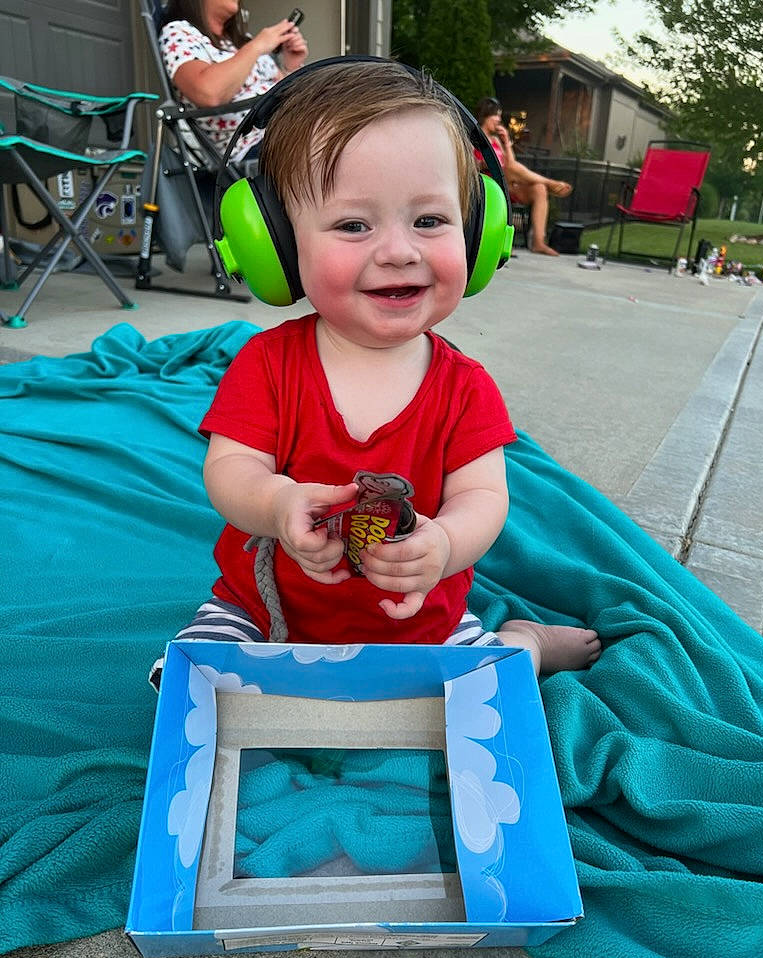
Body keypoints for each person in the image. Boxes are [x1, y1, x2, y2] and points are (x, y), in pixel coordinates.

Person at [152, 61, 600, 688]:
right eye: (353, 225)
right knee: (189, 672)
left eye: (430, 220)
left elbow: (483, 498)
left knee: (485, 676)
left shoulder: (466, 388)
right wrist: (277, 502)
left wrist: (443, 544)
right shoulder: (267, 364)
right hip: (264, 612)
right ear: (276, 246)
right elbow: (230, 472)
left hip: (420, 620)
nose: (399, 250)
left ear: (478, 235)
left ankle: (522, 642)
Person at [159, 0, 308, 163]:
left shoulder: (236, 42)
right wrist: (257, 46)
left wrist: (290, 66)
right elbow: (208, 93)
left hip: (286, 128)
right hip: (249, 144)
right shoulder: (178, 32)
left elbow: (278, 89)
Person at [475, 97, 572, 257]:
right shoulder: (474, 137)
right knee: (508, 167)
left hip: (508, 184)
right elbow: (471, 165)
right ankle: (550, 183)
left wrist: (507, 144)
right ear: (485, 115)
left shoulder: (496, 141)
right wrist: (486, 163)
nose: (499, 119)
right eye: (496, 115)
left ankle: (538, 242)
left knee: (539, 189)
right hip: (487, 184)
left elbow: (512, 163)